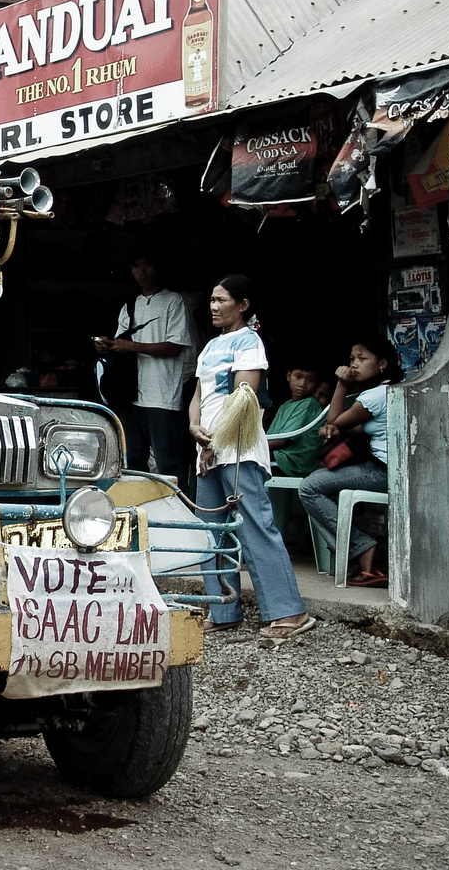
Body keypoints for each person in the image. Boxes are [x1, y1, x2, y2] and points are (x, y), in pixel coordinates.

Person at [188, 274, 313, 640]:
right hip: (208, 450)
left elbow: (243, 398)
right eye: (212, 299)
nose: (214, 306)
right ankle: (223, 609)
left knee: (253, 526)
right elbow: (199, 395)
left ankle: (290, 611)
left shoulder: (249, 342)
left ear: (242, 305)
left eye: (222, 299)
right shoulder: (210, 347)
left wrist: (213, 442)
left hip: (237, 447)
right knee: (210, 531)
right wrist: (195, 427)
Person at [298, 338, 403, 588]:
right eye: (352, 358)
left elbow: (334, 419)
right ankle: (359, 558)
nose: (354, 364)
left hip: (382, 472)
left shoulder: (374, 396)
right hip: (391, 470)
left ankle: (360, 547)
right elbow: (359, 427)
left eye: (362, 359)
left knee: (310, 487)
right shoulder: (391, 389)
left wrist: (341, 383)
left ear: (383, 364)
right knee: (323, 488)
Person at [95, 253, 192, 479]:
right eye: (136, 266)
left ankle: (177, 509)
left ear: (158, 268)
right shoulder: (130, 306)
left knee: (168, 461)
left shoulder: (173, 301)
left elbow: (174, 347)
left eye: (147, 264)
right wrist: (107, 346)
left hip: (163, 395)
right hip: (131, 395)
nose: (141, 271)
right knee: (135, 460)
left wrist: (130, 346)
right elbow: (122, 345)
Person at [267, 362, 326, 478]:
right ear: (288, 376)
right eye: (298, 377)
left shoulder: (309, 404)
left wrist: (253, 448)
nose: (302, 384)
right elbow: (271, 436)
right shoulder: (286, 405)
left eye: (310, 380)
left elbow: (281, 441)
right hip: (280, 457)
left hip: (293, 463)